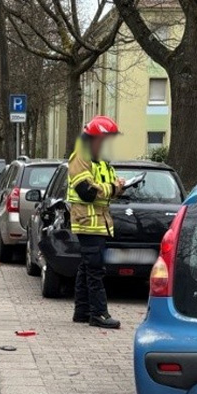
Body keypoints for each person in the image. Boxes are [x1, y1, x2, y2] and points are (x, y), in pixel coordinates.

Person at [67, 116, 125, 329]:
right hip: (88, 223)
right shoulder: (81, 157)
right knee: (95, 269)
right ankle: (99, 314)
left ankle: (82, 311)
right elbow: (87, 192)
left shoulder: (99, 160)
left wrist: (117, 187)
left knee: (86, 267)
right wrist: (113, 187)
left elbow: (103, 190)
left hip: (99, 223)